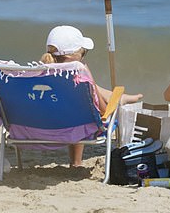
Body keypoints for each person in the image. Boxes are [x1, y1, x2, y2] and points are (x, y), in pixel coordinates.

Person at [40, 25, 142, 166]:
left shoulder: (38, 75)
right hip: (71, 129)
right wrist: (89, 76)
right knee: (79, 111)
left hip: (40, 128)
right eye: (83, 54)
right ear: (73, 56)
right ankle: (117, 98)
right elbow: (103, 110)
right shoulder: (81, 78)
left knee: (75, 106)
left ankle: (118, 97)